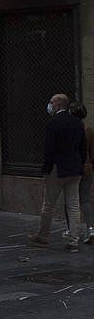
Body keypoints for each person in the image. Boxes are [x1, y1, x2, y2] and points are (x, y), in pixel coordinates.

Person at [28, 93, 88, 252]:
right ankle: (74, 241)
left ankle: (43, 236)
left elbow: (49, 150)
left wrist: (46, 169)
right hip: (74, 169)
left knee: (48, 204)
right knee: (73, 205)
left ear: (58, 105)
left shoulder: (53, 123)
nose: (50, 105)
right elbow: (83, 148)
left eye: (51, 102)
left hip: (57, 168)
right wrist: (79, 165)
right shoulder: (77, 123)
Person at [74, 102, 94, 243]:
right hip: (87, 167)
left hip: (73, 168)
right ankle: (90, 228)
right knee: (85, 199)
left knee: (71, 200)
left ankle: (71, 231)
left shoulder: (71, 130)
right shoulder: (89, 131)